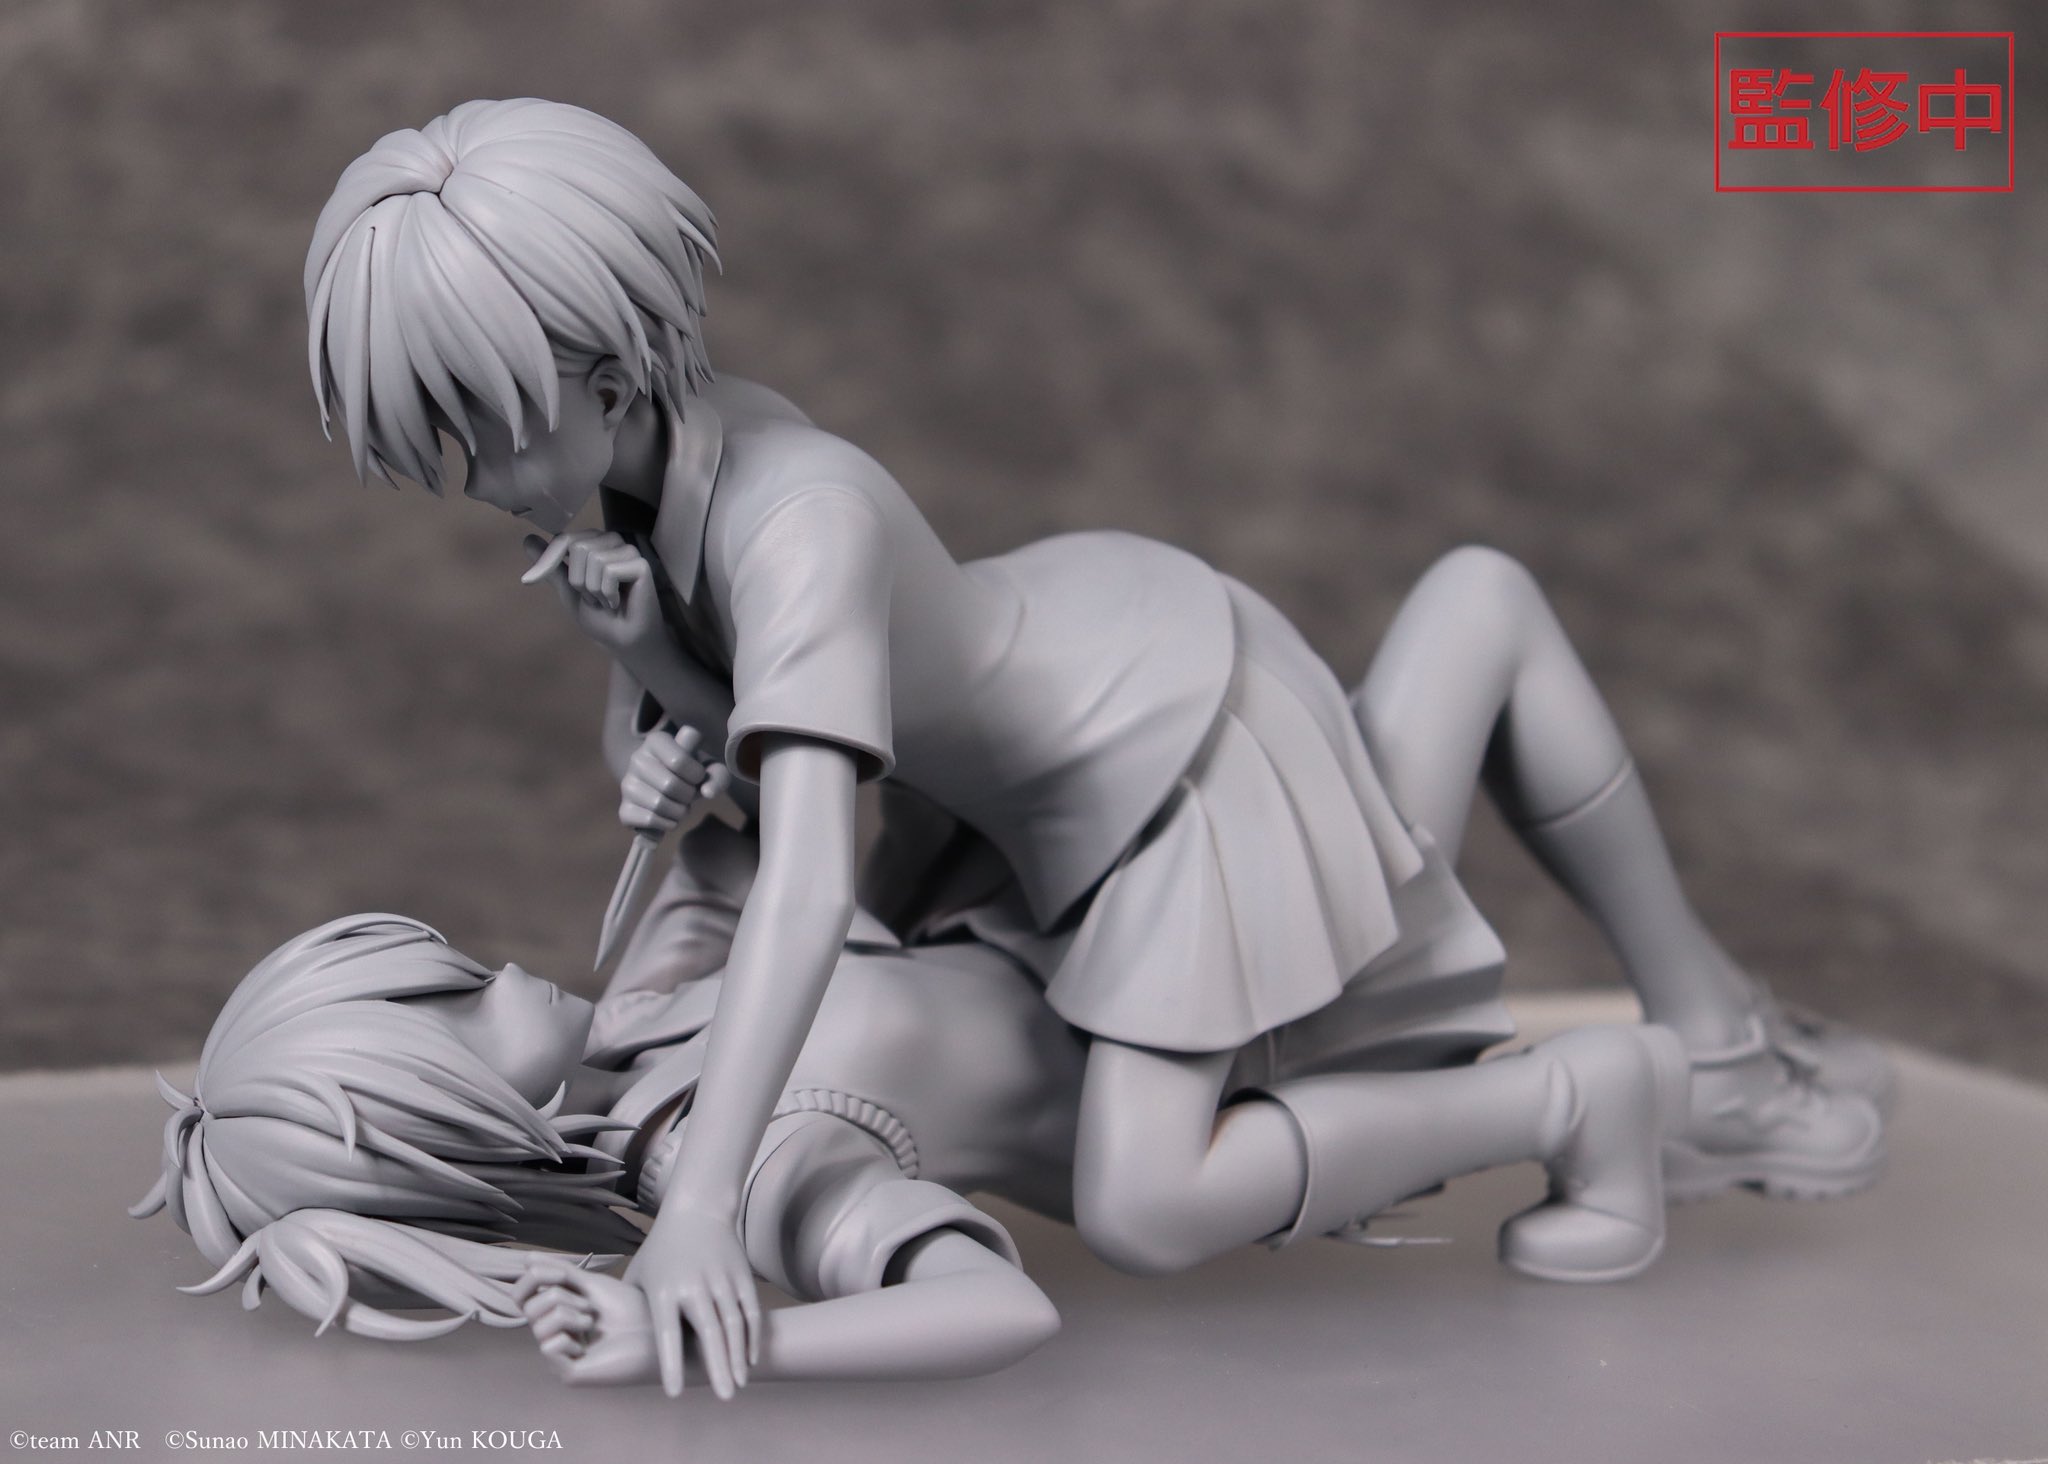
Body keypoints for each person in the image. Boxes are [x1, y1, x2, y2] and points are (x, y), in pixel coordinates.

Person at [304, 98, 1889, 1394]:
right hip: (1034, 772)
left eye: (484, 428)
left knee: (1150, 1197)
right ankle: (1511, 682)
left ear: (604, 372)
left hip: (1162, 748)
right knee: (1347, 947)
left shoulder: (797, 521)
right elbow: (743, 773)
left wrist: (708, 1206)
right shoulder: (651, 480)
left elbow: (805, 880)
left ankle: (1608, 1089)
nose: (471, 479)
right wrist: (646, 675)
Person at [136, 910, 1688, 1395]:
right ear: (458, 1137)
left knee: (1477, 606)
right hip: (1245, 1036)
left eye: (449, 976)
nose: (496, 978)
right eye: (458, 1019)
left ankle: (1671, 1036)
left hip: (1140, 913)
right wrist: (715, 1337)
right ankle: (1573, 1100)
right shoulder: (726, 1169)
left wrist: (663, 735)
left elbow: (742, 877)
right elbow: (1001, 1305)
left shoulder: (643, 1028)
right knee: (1150, 1208)